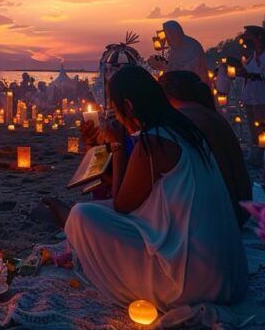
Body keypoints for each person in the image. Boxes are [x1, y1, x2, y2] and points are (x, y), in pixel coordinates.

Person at [62, 66, 247, 310]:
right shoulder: (184, 130)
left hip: (192, 283)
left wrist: (117, 146)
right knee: (97, 209)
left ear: (127, 106)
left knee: (81, 215)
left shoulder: (154, 141)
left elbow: (123, 205)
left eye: (116, 111)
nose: (116, 118)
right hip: (228, 272)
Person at [159, 71, 252, 227]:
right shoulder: (209, 113)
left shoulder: (183, 120)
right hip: (241, 208)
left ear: (165, 95)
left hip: (221, 215)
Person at [239, 26, 265, 166]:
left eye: (248, 35)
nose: (245, 38)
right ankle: (256, 156)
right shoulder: (252, 56)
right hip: (251, 96)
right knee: (253, 128)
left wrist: (254, 75)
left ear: (258, 37)